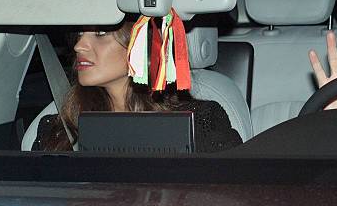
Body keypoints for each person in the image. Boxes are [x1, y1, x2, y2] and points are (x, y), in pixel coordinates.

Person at [33, 19, 242, 152]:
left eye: (101, 34)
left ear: (142, 43)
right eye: (79, 35)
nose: (79, 46)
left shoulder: (199, 122)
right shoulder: (60, 129)